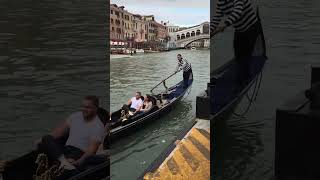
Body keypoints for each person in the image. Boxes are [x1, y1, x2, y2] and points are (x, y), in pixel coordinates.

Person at [35, 96, 105, 174]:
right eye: (83, 107)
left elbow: (90, 151)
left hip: (78, 152)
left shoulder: (98, 126)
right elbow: (56, 133)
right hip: (64, 150)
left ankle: (66, 166)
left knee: (68, 164)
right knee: (46, 138)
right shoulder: (75, 116)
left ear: (96, 109)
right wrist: (41, 141)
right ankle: (64, 163)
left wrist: (79, 162)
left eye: (88, 107)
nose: (84, 110)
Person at [211, 0, 265, 86]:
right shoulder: (221, 2)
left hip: (252, 27)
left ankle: (244, 79)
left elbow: (237, 11)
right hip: (240, 29)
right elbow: (216, 18)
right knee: (238, 54)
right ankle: (241, 75)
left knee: (245, 55)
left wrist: (224, 25)